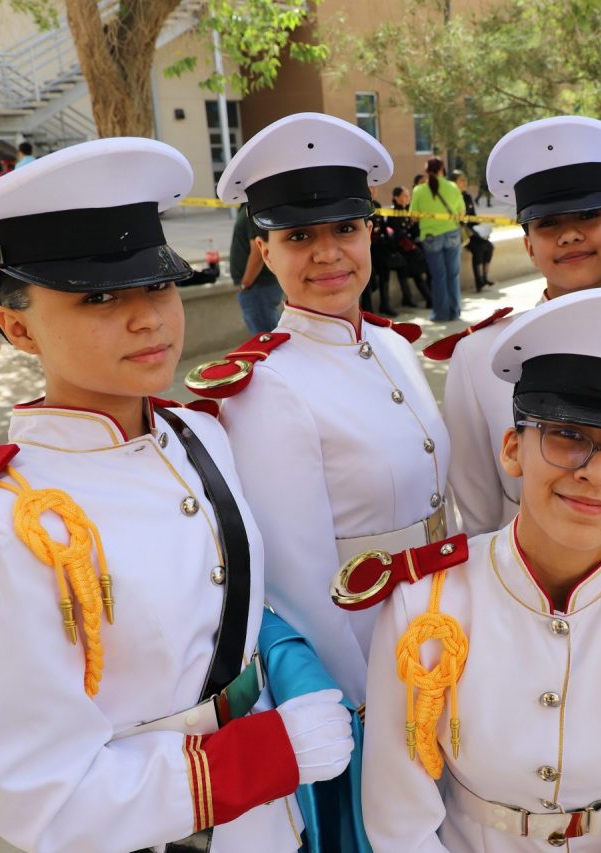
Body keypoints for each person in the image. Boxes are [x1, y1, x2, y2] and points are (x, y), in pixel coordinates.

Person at [0, 137, 355, 853]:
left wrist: (292, 672)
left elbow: (227, 611)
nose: (149, 318)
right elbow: (41, 796)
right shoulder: (2, 531)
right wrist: (264, 756)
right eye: (99, 297)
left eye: (158, 285)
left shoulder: (198, 435)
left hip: (272, 823)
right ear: (16, 327)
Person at [345, 288, 601, 851]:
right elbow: (399, 818)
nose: (597, 473)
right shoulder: (425, 601)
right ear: (512, 449)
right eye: (568, 436)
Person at [190, 112, 452, 705]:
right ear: (265, 252)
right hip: (374, 654)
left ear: (370, 233)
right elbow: (300, 586)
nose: (328, 253)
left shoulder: (391, 344)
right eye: (299, 237)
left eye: (345, 229)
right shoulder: (268, 386)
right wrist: (359, 705)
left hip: (447, 624)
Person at [432, 116, 601, 536]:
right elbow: (477, 515)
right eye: (548, 224)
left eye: (588, 215)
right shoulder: (480, 356)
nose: (569, 235)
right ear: (529, 247)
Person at [410, 156, 466, 321]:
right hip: (451, 234)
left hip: (430, 236)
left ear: (426, 171)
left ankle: (440, 314)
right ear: (442, 169)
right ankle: (454, 311)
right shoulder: (452, 187)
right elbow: (462, 213)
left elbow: (413, 216)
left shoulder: (419, 190)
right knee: (453, 275)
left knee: (438, 276)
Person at [230, 201, 285, 333]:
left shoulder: (253, 208)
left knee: (266, 338)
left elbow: (258, 252)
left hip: (257, 287)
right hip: (257, 287)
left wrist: (245, 284)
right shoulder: (249, 207)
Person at [389, 185, 431, 308]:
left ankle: (425, 297)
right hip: (401, 249)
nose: (408, 198)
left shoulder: (408, 211)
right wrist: (413, 247)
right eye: (405, 196)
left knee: (424, 266)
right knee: (416, 269)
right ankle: (428, 298)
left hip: (411, 248)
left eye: (408, 196)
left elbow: (414, 231)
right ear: (396, 198)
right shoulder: (393, 213)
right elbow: (399, 235)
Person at [453, 169, 495, 292]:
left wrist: (482, 230)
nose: (465, 182)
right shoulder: (453, 197)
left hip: (472, 231)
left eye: (465, 180)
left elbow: (473, 217)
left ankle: (485, 278)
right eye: (461, 180)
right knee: (478, 249)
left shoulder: (467, 196)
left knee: (489, 246)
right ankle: (479, 281)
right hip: (461, 234)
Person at [362, 184, 397, 316]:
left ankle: (385, 304)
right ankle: (368, 310)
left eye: (374, 187)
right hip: (366, 248)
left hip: (378, 247)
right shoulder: (359, 204)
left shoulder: (377, 205)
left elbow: (383, 225)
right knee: (367, 276)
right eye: (369, 187)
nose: (372, 190)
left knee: (385, 269)